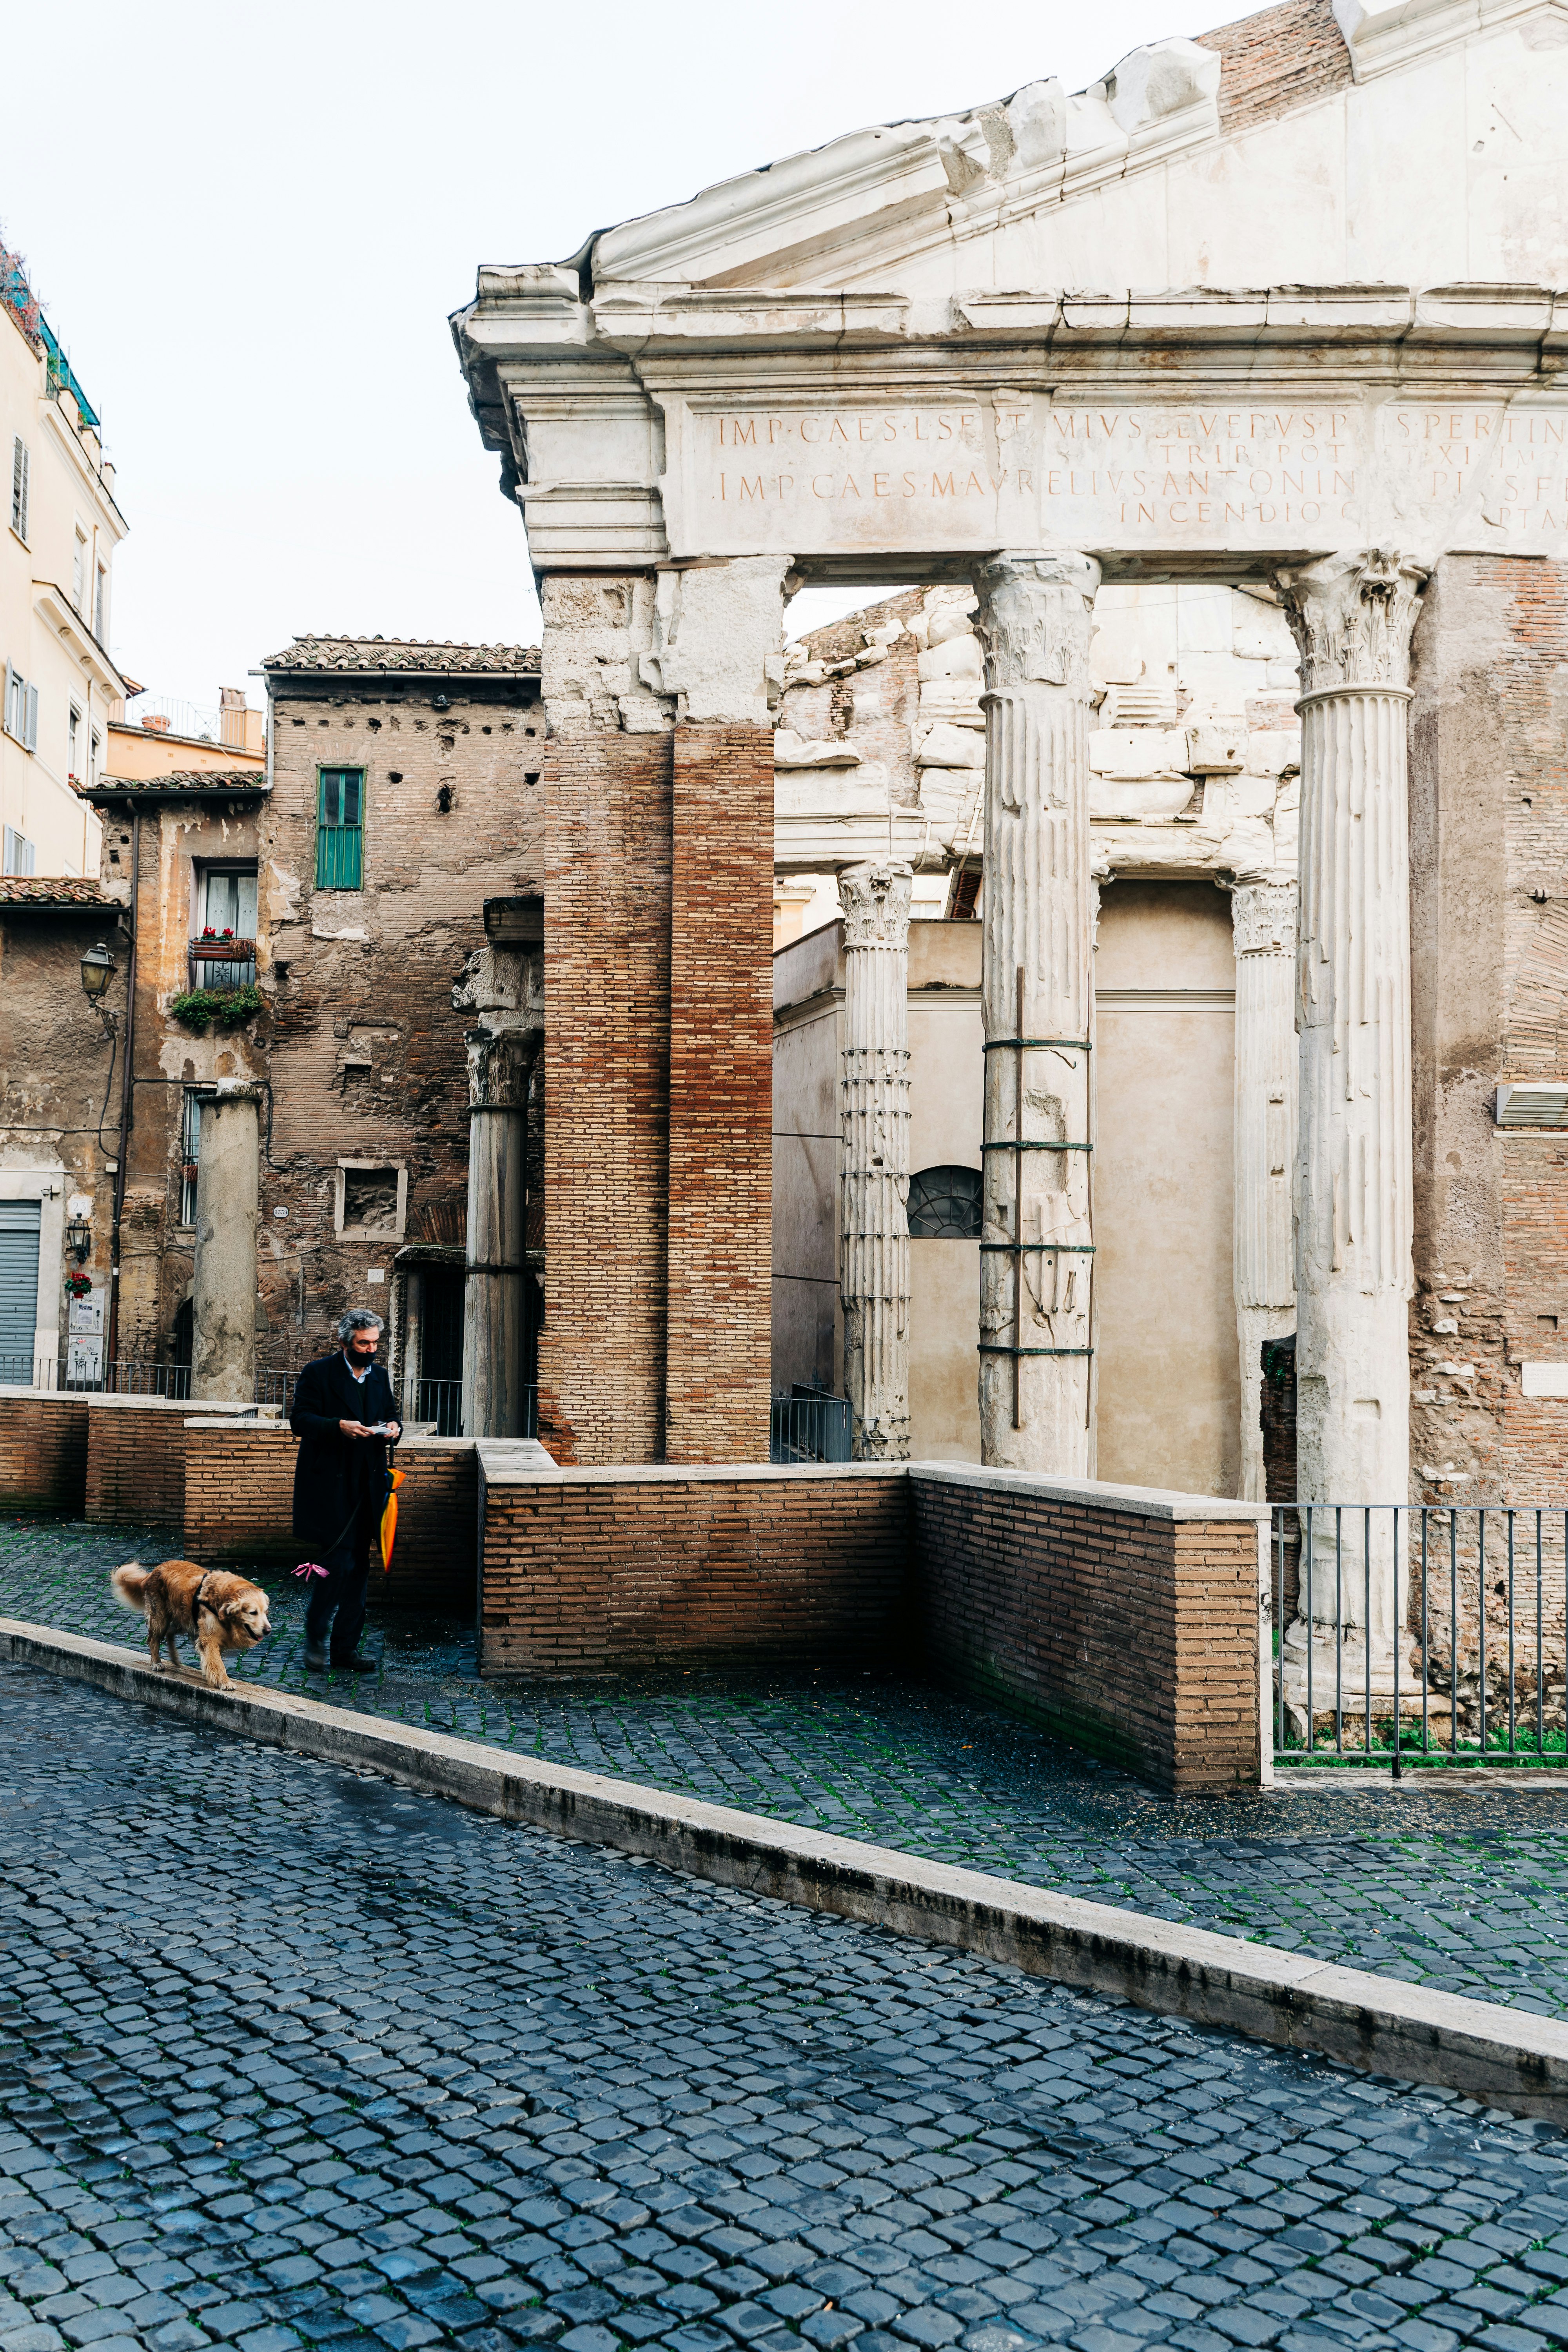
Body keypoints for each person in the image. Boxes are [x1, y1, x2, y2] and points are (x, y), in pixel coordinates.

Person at [289, 1309, 401, 1673]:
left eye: (375, 1344)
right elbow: (300, 1420)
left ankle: (346, 1650)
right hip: (330, 1487)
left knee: (359, 1570)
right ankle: (316, 1638)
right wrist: (339, 1426)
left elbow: (389, 1413)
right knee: (336, 1565)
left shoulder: (380, 1376)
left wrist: (394, 1426)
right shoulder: (318, 1373)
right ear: (344, 1343)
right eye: (363, 1343)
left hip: (368, 1485)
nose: (371, 1350)